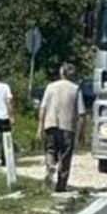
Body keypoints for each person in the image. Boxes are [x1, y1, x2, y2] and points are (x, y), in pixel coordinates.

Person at [39, 63, 87, 192]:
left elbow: (43, 108)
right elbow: (82, 113)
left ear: (61, 73)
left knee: (50, 150)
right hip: (68, 126)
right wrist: (81, 133)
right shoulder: (76, 89)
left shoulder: (50, 87)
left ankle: (50, 166)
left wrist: (40, 126)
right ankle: (61, 184)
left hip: (51, 123)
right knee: (65, 156)